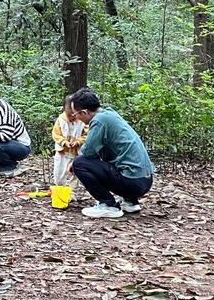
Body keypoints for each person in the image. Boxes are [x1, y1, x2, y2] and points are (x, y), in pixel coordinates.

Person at [70, 88, 154, 218]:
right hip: (145, 180)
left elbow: (87, 152)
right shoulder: (110, 114)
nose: (77, 118)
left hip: (133, 182)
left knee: (79, 163)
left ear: (84, 112)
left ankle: (108, 205)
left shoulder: (99, 121)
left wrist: (74, 163)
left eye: (76, 114)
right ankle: (130, 202)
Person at [52, 94, 87, 187]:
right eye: (69, 115)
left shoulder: (82, 121)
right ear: (64, 109)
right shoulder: (60, 120)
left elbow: (86, 134)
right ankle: (60, 187)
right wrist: (64, 142)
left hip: (76, 152)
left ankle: (72, 191)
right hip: (62, 152)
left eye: (74, 115)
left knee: (75, 173)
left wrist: (78, 141)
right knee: (59, 171)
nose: (72, 117)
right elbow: (56, 134)